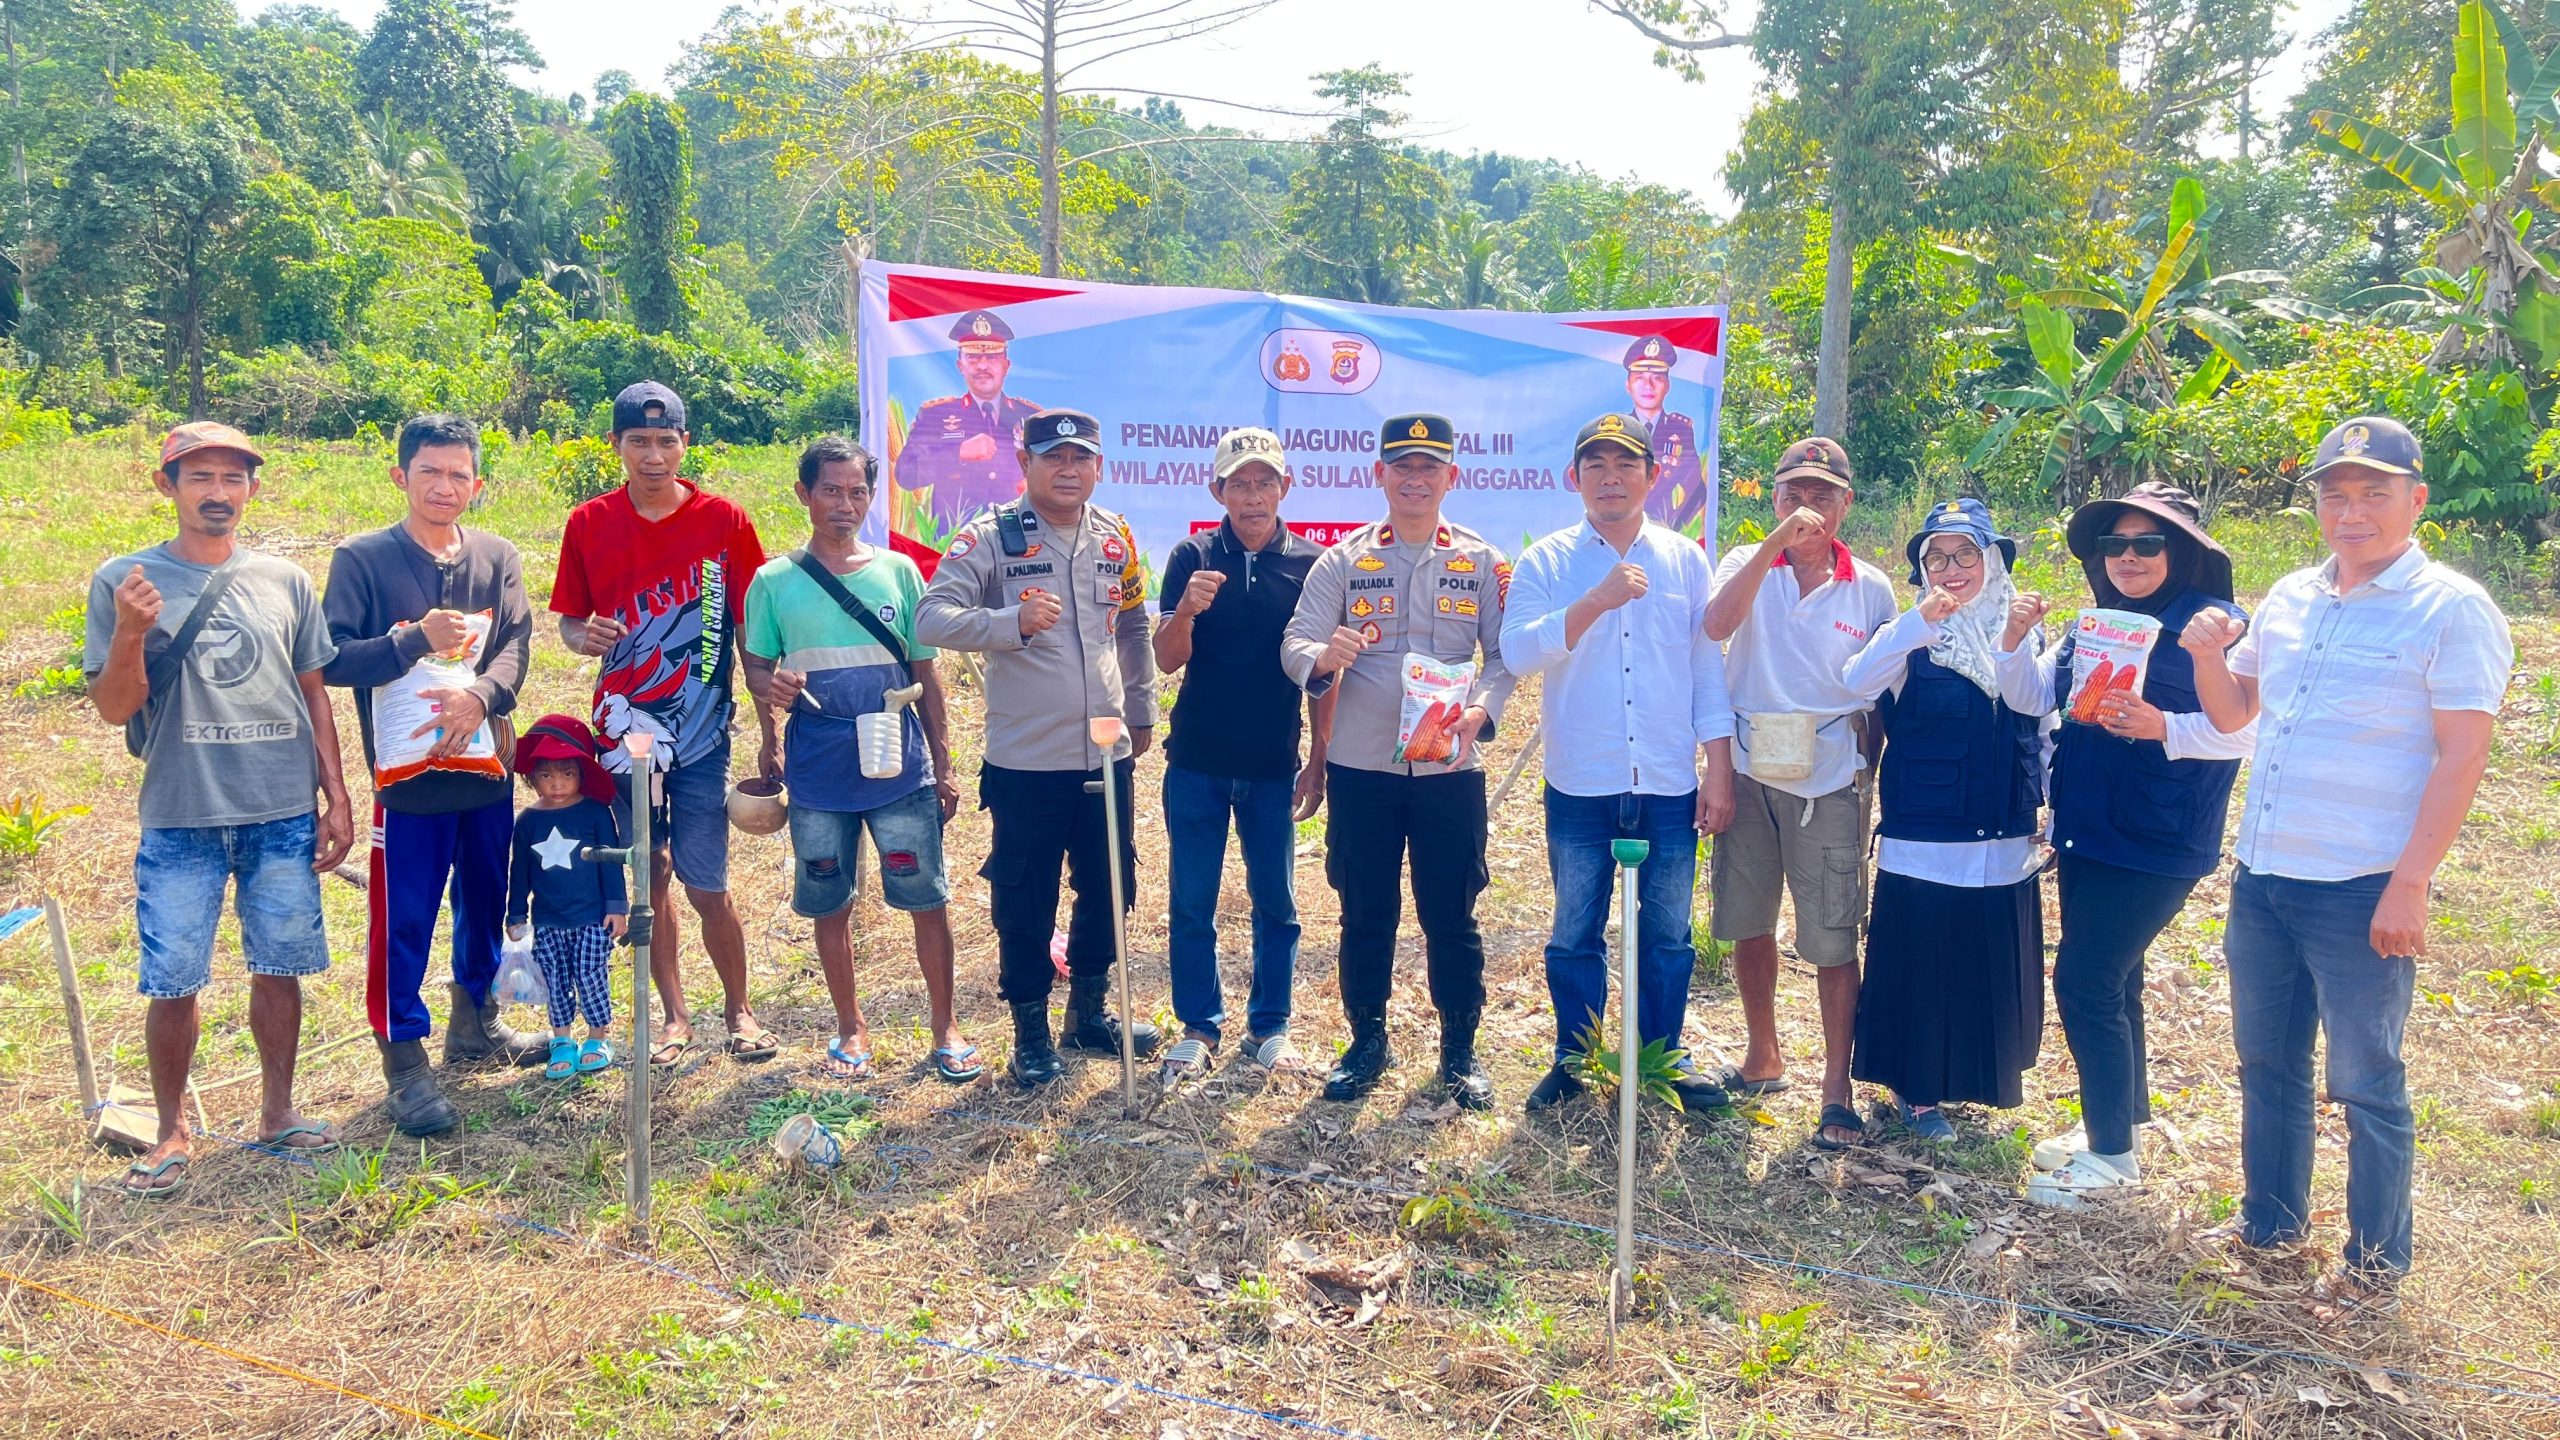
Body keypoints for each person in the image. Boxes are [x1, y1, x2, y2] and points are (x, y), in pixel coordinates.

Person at [2186, 416, 2510, 1297]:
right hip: (2266, 875)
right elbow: (2234, 713)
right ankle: (2272, 1226)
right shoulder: (2291, 594)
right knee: (2267, 1061)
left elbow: (2463, 754)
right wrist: (2210, 658)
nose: (2353, 511)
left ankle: (2374, 1264)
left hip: (2363, 885)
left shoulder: (2452, 608)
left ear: (2417, 500)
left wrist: (2411, 884)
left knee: (2368, 1081)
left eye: (2375, 493)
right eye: (2337, 493)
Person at [84, 422, 354, 1198]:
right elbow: (113, 707)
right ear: (166, 485)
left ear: (252, 490)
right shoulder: (125, 580)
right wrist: (133, 631)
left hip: (279, 807)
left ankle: (278, 1112)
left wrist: (335, 792)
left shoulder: (285, 579)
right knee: (173, 977)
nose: (217, 493)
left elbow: (313, 690)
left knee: (280, 967)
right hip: (182, 810)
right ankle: (172, 1129)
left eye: (232, 479)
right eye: (199, 477)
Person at [917, 406, 1160, 1088]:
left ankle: (1085, 1017)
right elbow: (932, 617)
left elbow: (1136, 623)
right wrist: (1008, 621)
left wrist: (1140, 707)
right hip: (1028, 758)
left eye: (1081, 458)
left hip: (1108, 750)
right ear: (1025, 465)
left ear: (1099, 467)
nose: (1068, 469)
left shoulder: (1115, 537)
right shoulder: (990, 537)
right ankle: (1029, 1031)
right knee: (1026, 898)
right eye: (1054, 457)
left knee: (1110, 885)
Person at [1500, 413, 1737, 1114]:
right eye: (1595, 466)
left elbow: (1704, 668)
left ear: (1652, 477)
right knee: (1576, 929)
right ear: (1574, 479)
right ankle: (1576, 1058)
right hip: (1581, 778)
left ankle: (1660, 1059)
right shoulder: (1547, 562)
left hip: (1666, 778)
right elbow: (1518, 654)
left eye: (1625, 465)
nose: (1610, 478)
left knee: (1666, 933)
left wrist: (1717, 770)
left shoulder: (1684, 559)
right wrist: (1596, 601)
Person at [1281, 413, 1518, 1108]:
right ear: (1378, 474)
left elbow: (1504, 658)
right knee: (1365, 910)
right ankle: (1366, 1041)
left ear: (1452, 477)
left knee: (1452, 912)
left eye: (1429, 468)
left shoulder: (1480, 561)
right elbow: (1295, 641)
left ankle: (1460, 1050)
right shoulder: (1346, 560)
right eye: (1401, 467)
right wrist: (1321, 657)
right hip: (1362, 771)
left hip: (1448, 771)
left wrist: (1482, 708)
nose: (1415, 479)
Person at [2028, 483, 2254, 1207]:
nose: (2128, 556)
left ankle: (2114, 1162)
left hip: (2157, 835)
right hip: (2088, 825)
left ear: (2181, 551)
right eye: (2114, 544)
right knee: (2117, 979)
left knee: (2084, 981)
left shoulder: (2214, 625)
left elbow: (2242, 729)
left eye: (2147, 543)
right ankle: (2113, 1125)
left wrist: (2166, 727)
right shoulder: (2099, 623)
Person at [321, 413, 540, 1138]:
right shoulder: (364, 560)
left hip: (486, 772)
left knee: (486, 896)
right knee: (403, 917)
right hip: (408, 783)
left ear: (478, 484)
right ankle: (405, 1061)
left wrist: (479, 696)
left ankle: (476, 1020)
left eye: (458, 476)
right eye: (429, 473)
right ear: (400, 477)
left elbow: (513, 646)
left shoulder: (497, 556)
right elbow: (332, 658)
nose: (444, 488)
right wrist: (413, 640)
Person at [549, 380, 777, 1066]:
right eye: (638, 441)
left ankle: (739, 1009)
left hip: (703, 736)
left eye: (666, 440)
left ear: (685, 444)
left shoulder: (725, 522)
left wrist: (769, 729)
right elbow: (567, 621)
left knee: (708, 883)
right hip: (624, 743)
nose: (653, 455)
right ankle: (674, 1017)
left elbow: (751, 632)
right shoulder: (588, 523)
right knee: (649, 877)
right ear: (615, 446)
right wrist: (578, 635)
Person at [742, 436, 978, 1084]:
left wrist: (945, 763)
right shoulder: (773, 582)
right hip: (817, 767)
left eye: (857, 492)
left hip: (899, 765)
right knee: (829, 902)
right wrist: (772, 691)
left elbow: (926, 674)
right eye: (830, 490)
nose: (844, 504)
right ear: (803, 494)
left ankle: (945, 1027)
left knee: (926, 897)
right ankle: (851, 1027)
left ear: (871, 499)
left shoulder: (900, 573)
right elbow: (757, 666)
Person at [1838, 498, 2056, 1145]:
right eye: (1937, 557)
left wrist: (2052, 802)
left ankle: (1974, 1082)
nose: (1952, 568)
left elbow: (2044, 723)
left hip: (2004, 833)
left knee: (1982, 963)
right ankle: (1916, 1094)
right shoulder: (1911, 635)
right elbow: (1856, 682)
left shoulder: (2025, 630)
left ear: (1991, 560)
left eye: (1966, 554)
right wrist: (1914, 625)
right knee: (1922, 967)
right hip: (1924, 838)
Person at [1700, 437, 1897, 1150]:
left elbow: (1881, 690)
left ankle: (1836, 1091)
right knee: (1750, 921)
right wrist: (1771, 549)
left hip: (1829, 777)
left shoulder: (1870, 586)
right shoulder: (1743, 565)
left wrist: (1871, 775)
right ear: (1773, 500)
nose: (1806, 507)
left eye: (1822, 495)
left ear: (1846, 505)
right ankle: (1762, 1057)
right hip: (1750, 772)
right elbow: (1717, 626)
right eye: (1792, 494)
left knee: (1832, 934)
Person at [1150, 427, 1335, 1084]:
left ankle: (1270, 1027)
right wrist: (1187, 612)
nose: (1252, 496)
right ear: (1217, 490)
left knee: (1277, 903)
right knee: (1192, 902)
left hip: (1271, 765)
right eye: (1239, 483)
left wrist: (1318, 758)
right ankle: (1198, 1025)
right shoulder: (1192, 554)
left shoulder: (1313, 565)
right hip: (1196, 762)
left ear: (1285, 487)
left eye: (1265, 482)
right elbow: (1167, 659)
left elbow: (1320, 671)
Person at [503, 715, 628, 1081]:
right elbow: (519, 871)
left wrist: (617, 908)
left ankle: (597, 1036)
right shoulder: (527, 821)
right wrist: (515, 915)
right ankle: (561, 1040)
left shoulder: (595, 813)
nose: (557, 784)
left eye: (567, 774)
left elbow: (610, 862)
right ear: (532, 778)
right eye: (546, 775)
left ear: (582, 775)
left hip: (591, 918)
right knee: (554, 978)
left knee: (591, 976)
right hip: (548, 920)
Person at [900, 310, 1044, 527]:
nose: (983, 365)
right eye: (973, 356)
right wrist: (958, 454)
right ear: (961, 366)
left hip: (1021, 538)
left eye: (992, 357)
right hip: (955, 544)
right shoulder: (934, 415)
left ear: (1006, 366)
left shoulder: (1030, 416)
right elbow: (906, 475)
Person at [1621, 335, 1706, 535]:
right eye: (1639, 378)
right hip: (1619, 533)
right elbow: (1571, 478)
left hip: (1664, 536)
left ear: (1667, 385)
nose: (1648, 386)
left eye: (1657, 378)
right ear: (1628, 385)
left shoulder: (1680, 431)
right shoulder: (1617, 429)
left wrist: (1674, 528)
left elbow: (1697, 491)